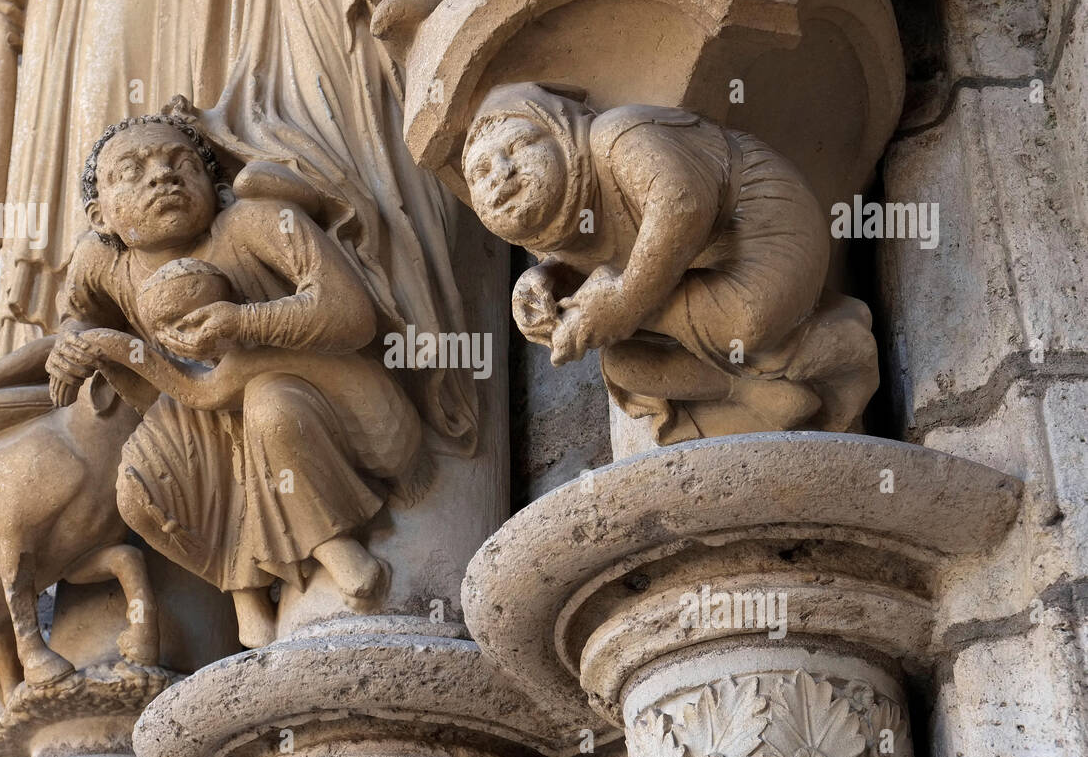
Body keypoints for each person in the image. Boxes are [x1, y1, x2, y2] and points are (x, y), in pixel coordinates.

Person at [47, 113, 426, 648]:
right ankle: (242, 584)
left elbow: (350, 314)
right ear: (100, 216)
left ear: (216, 187)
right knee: (141, 485)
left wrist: (244, 322)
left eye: (181, 165)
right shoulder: (102, 263)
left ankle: (331, 539)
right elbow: (78, 317)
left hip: (352, 414)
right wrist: (71, 344)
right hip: (218, 406)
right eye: (132, 171)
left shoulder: (254, 222)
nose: (162, 177)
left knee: (265, 402)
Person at [460, 83, 879, 444]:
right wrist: (545, 278)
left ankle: (839, 343)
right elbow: (595, 256)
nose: (500, 172)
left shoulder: (615, 135)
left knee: (747, 321)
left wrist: (622, 300)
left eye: (518, 145)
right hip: (698, 274)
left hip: (761, 229)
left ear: (560, 130)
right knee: (624, 363)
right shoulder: (561, 224)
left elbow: (681, 205)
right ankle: (753, 392)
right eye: (478, 172)